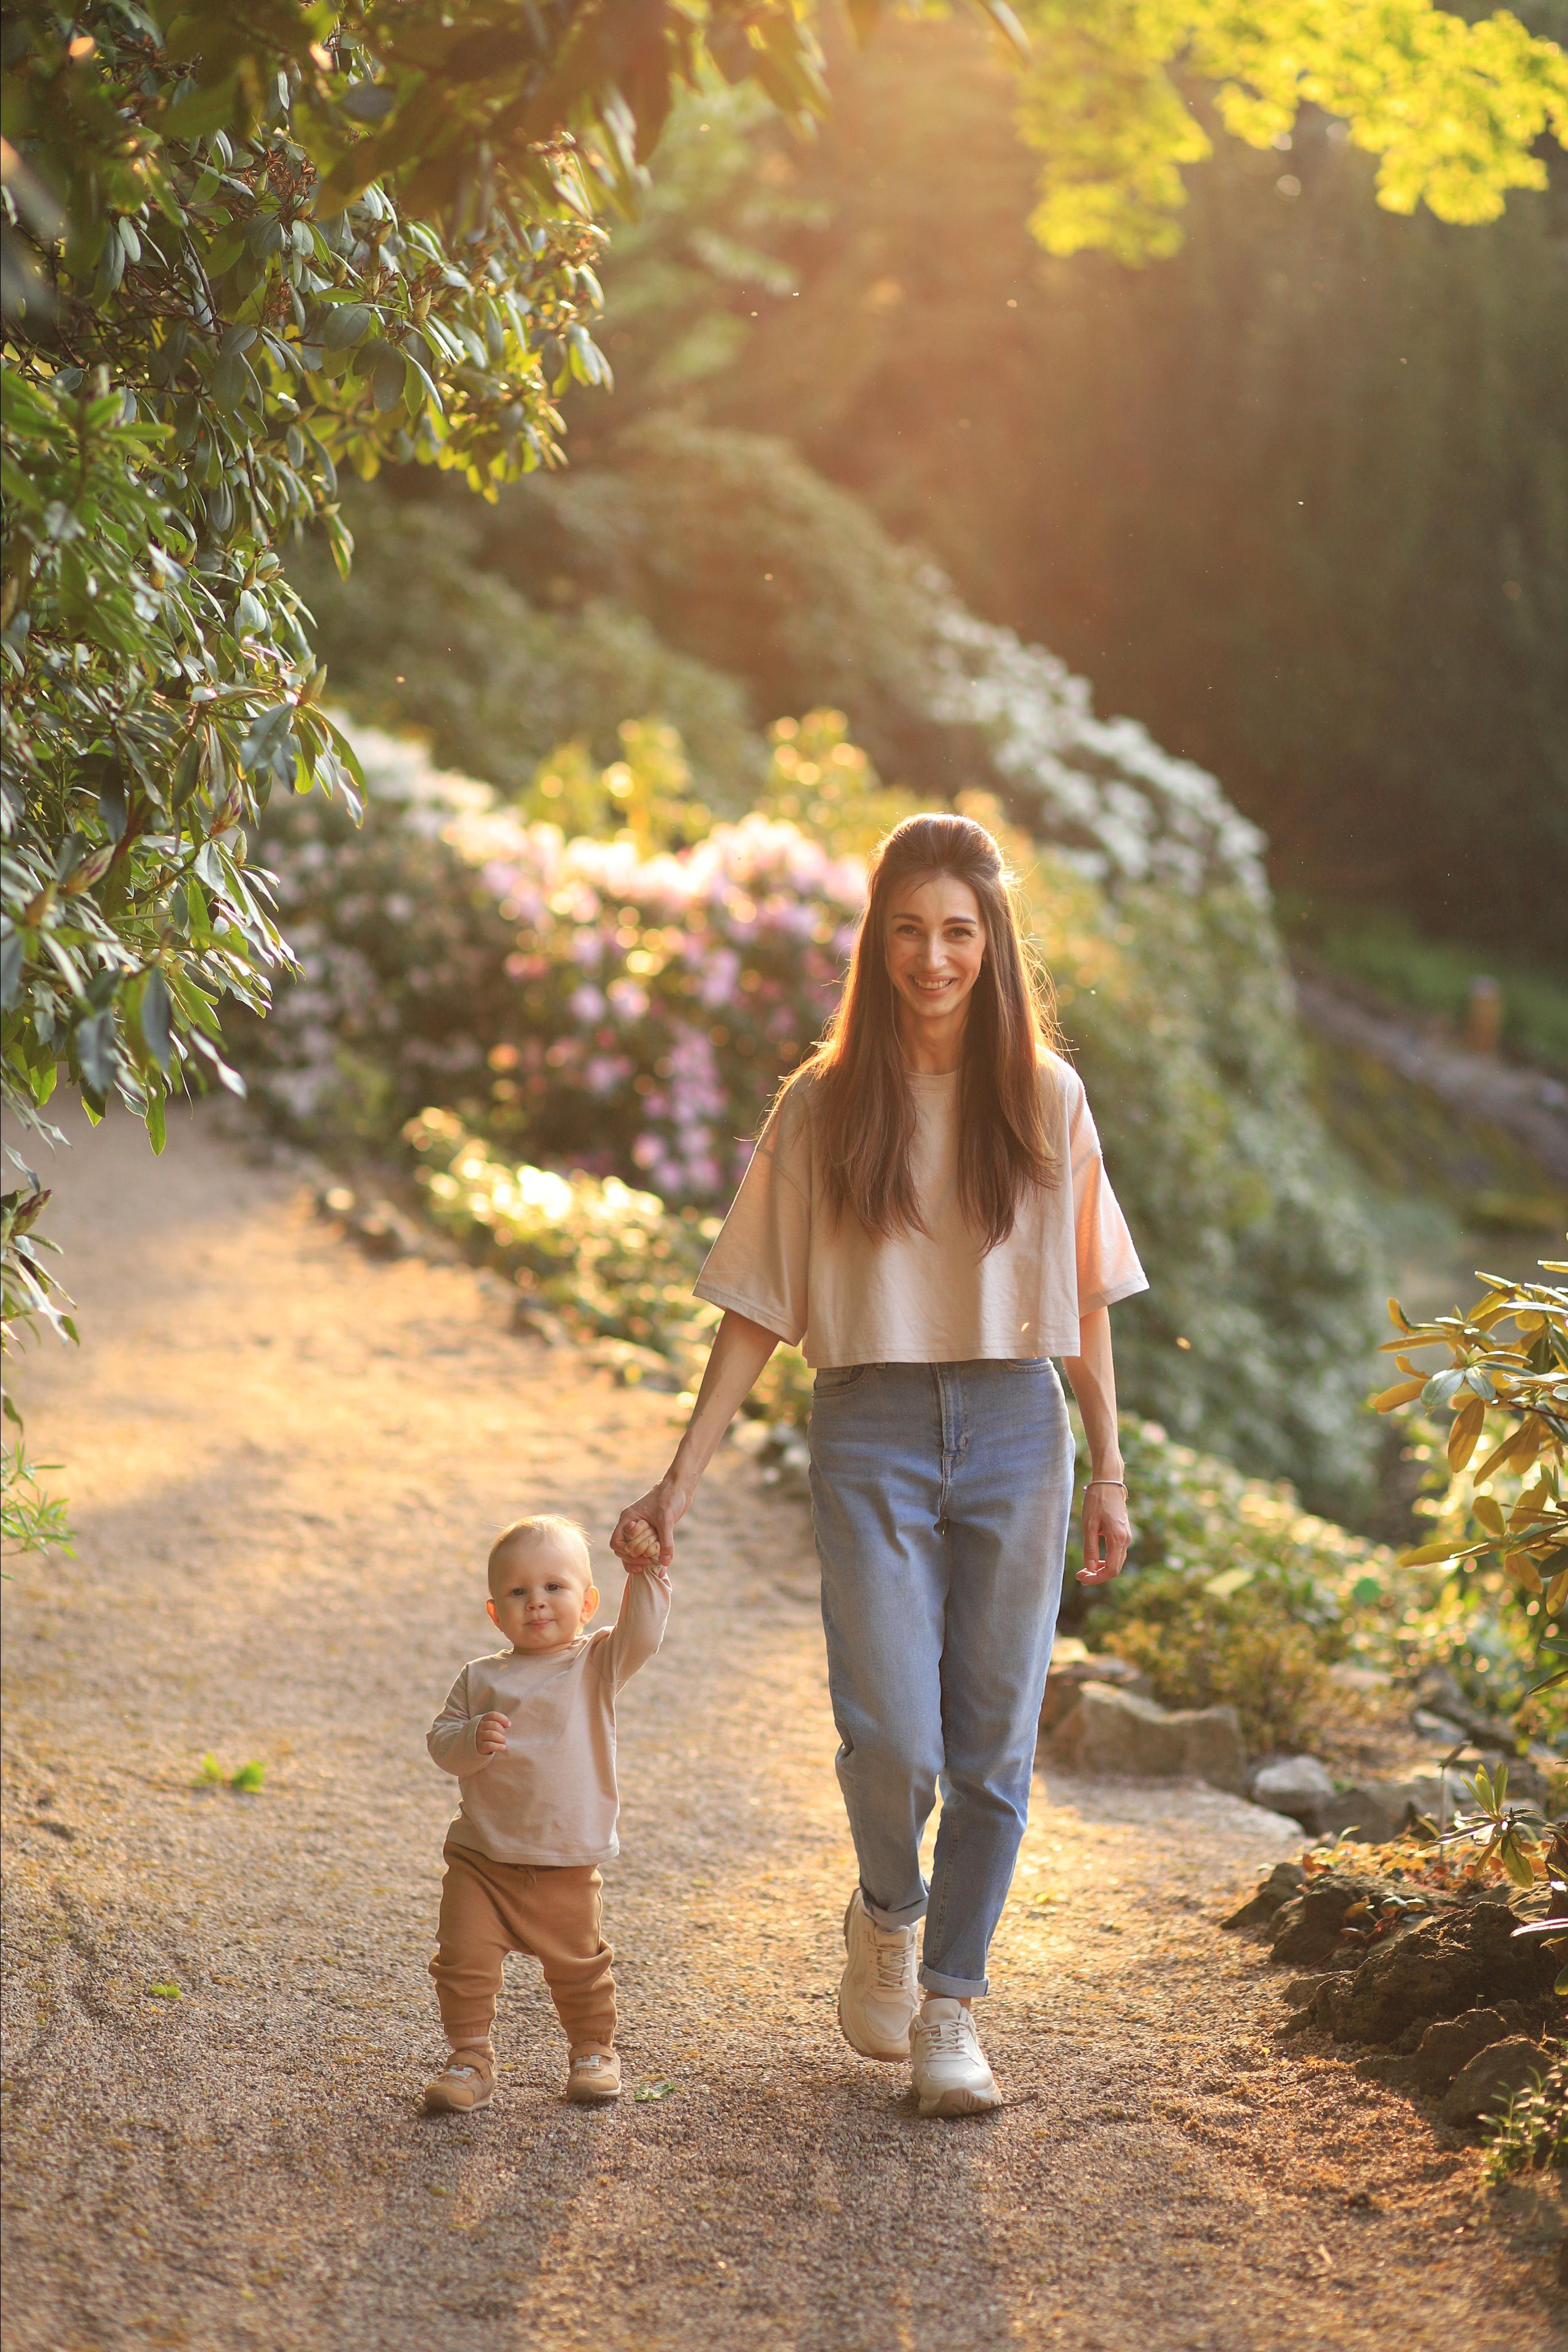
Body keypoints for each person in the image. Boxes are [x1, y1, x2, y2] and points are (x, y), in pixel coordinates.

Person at [611, 812, 1145, 2119]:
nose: (932, 957)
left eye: (957, 931)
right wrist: (680, 1473)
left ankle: (950, 2009)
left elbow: (1085, 1300)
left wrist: (1111, 1471)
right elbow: (753, 1302)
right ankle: (887, 1911)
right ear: (876, 941)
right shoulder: (822, 1102)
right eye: (907, 930)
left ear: (991, 941)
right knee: (892, 1735)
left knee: (992, 1749)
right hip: (867, 1427)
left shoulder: (1045, 1098)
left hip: (1018, 1431)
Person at [423, 1512, 668, 2113]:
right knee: (462, 1962)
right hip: (482, 1857)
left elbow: (644, 1633)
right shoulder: (479, 1678)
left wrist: (647, 1574)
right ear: (494, 1612)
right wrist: (470, 1740)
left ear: (586, 1603)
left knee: (580, 1967)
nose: (536, 1603)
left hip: (563, 1859)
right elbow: (440, 1742)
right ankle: (470, 2057)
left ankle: (592, 2048)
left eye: (554, 1588)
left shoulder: (595, 1663)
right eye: (518, 1592)